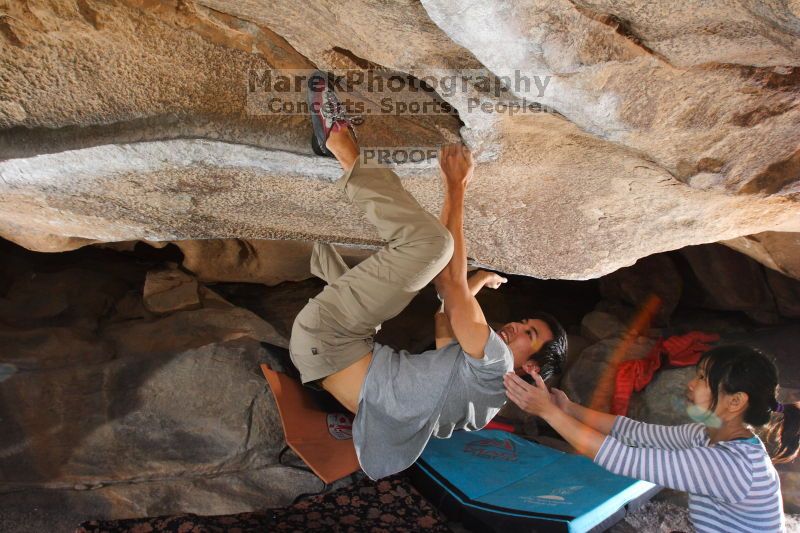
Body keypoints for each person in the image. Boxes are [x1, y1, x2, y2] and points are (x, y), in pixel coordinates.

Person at [290, 71, 566, 479]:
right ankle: (322, 252)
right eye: (525, 323)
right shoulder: (481, 406)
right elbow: (445, 319)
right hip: (330, 349)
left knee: (433, 248)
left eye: (530, 336)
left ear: (531, 369)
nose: (515, 328)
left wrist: (456, 186)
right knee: (425, 258)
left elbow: (448, 282)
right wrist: (472, 287)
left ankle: (338, 142)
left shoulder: (496, 363)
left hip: (332, 341)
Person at [504, 344, 796, 533]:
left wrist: (548, 413)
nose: (691, 384)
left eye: (704, 379)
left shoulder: (730, 464)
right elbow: (635, 433)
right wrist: (566, 408)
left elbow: (624, 458)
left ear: (735, 402)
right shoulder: (707, 434)